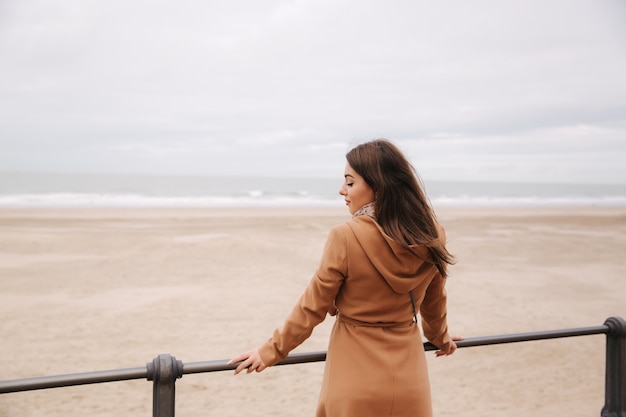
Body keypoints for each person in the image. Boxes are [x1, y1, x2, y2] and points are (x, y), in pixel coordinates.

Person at [228, 139, 459, 417]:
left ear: (377, 186)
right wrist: (441, 339)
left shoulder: (345, 236)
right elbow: (434, 304)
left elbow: (312, 306)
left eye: (350, 182)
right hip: (410, 375)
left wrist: (270, 351)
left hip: (354, 371)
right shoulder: (431, 234)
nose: (342, 190)